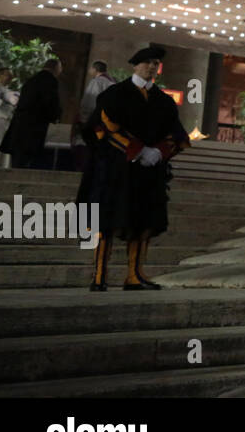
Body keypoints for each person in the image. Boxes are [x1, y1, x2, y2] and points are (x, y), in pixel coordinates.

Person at [78, 47, 190, 291]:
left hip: (149, 173)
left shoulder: (164, 101)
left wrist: (160, 151)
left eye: (155, 63)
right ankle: (99, 275)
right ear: (135, 65)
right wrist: (137, 150)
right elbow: (102, 127)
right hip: (115, 170)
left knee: (143, 221)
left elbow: (177, 134)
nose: (152, 67)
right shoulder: (115, 94)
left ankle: (134, 275)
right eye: (147, 62)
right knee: (106, 220)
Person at [0, 57, 62, 169]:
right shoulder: (50, 80)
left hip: (19, 126)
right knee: (28, 161)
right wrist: (55, 116)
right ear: (56, 68)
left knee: (17, 160)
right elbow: (50, 102)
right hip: (34, 127)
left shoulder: (32, 79)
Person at [73, 61, 114, 173]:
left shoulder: (97, 82)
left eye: (90, 68)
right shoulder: (112, 83)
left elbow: (89, 103)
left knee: (85, 147)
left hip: (94, 122)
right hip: (107, 124)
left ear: (95, 69)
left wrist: (83, 119)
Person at [0, 67, 17, 169]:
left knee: (4, 144)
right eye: (8, 75)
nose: (10, 78)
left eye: (11, 76)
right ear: (0, 75)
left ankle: (2, 165)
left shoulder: (8, 91)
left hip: (7, 121)